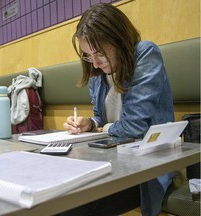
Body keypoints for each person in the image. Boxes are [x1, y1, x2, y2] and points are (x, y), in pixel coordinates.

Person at [63, 3, 175, 216]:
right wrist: (91, 123)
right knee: (60, 195)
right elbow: (102, 118)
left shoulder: (145, 53)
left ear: (119, 41)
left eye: (100, 54)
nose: (95, 63)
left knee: (73, 205)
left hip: (145, 166)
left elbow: (134, 126)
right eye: (88, 55)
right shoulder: (97, 73)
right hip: (113, 160)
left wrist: (101, 128)